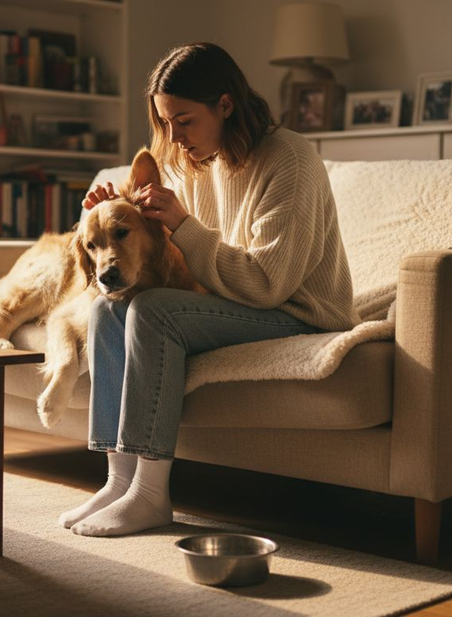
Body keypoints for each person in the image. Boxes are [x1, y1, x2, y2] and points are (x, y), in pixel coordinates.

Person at [59, 42, 355, 537]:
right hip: (233, 302)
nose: (173, 136)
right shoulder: (193, 161)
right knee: (111, 307)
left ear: (225, 104)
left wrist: (183, 223)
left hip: (297, 311)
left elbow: (266, 285)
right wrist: (107, 211)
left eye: (184, 120)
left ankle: (152, 495)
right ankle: (121, 479)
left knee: (152, 311)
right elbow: (146, 243)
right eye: (165, 122)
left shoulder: (291, 161)